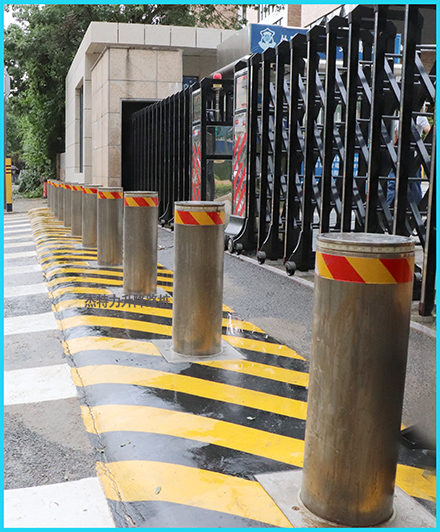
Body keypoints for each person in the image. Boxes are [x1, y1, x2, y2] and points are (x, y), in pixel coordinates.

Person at [386, 113, 431, 206]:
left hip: (413, 156)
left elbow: (428, 130)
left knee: (413, 184)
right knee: (393, 182)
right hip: (399, 155)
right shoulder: (399, 116)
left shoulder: (419, 116)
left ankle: (414, 207)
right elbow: (397, 136)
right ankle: (390, 206)